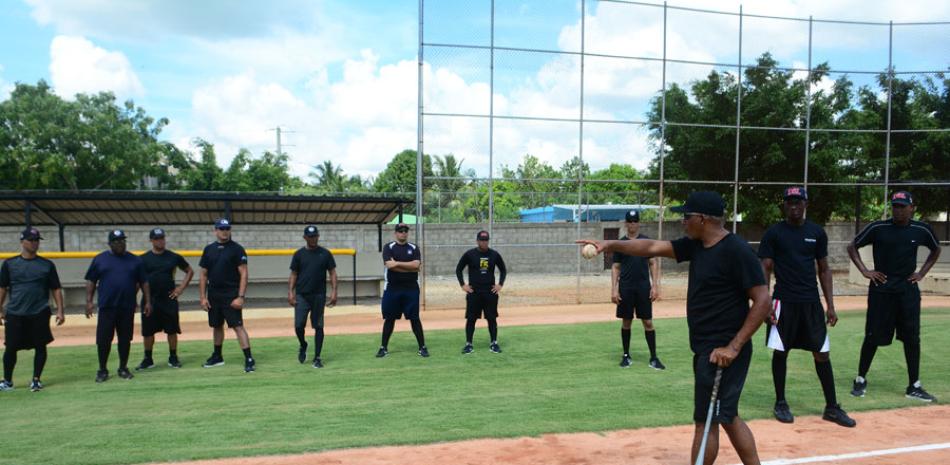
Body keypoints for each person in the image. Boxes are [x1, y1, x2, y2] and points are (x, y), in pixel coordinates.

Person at [578, 191, 770, 465]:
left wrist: (733, 346)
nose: (682, 222)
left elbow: (763, 301)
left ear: (702, 219)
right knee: (724, 417)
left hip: (722, 352)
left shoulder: (736, 250)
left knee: (707, 421)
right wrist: (608, 244)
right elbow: (651, 248)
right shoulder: (696, 246)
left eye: (686, 216)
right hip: (706, 348)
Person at [759, 187, 855, 427]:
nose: (794, 206)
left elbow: (824, 269)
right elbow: (765, 268)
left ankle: (831, 407)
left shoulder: (816, 232)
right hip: (783, 301)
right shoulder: (774, 233)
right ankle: (780, 403)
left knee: (822, 353)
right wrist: (765, 302)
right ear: (784, 205)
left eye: (798, 202)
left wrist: (830, 305)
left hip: (811, 302)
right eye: (789, 202)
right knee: (781, 352)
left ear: (805, 204)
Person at [847, 190, 941, 401]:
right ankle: (860, 379)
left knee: (912, 338)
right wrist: (865, 271)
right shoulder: (878, 227)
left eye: (902, 206)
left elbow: (935, 250)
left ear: (911, 208)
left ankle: (914, 386)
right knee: (872, 336)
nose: (898, 210)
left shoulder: (921, 229)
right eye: (895, 206)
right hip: (881, 290)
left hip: (908, 291)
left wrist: (921, 273)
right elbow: (852, 246)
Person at [0, 228, 65, 392]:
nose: (35, 243)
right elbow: (3, 288)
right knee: (11, 347)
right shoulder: (9, 264)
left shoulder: (47, 265)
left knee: (40, 346)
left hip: (39, 312)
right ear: (22, 242)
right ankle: (7, 380)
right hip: (15, 312)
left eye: (37, 240)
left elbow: (56, 288)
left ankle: (36, 379)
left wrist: (60, 310)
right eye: (31, 240)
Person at [85, 229, 150, 383]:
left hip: (127, 307)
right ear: (110, 244)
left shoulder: (135, 260)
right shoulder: (100, 259)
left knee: (125, 339)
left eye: (122, 240)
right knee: (103, 340)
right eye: (116, 241)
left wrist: (148, 301)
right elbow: (91, 280)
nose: (120, 243)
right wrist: (88, 301)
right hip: (107, 307)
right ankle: (102, 369)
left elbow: (144, 282)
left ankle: (123, 367)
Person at [198, 218, 255, 373]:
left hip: (231, 294)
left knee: (237, 326)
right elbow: (203, 275)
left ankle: (249, 358)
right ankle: (217, 356)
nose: (224, 231)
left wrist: (241, 296)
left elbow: (244, 273)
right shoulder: (208, 249)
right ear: (215, 230)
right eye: (221, 229)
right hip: (214, 294)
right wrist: (203, 297)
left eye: (227, 228)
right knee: (216, 326)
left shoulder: (237, 249)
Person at [611, 209, 664, 369]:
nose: (632, 224)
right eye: (630, 221)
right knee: (626, 321)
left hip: (643, 287)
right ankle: (626, 356)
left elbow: (653, 263)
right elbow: (616, 267)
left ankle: (654, 358)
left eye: (635, 221)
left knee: (647, 322)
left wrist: (655, 285)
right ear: (626, 223)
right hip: (626, 287)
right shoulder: (621, 244)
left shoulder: (646, 242)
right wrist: (614, 289)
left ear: (638, 223)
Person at [135, 228, 193, 371]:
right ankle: (148, 359)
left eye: (162, 238)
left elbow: (189, 271)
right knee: (148, 331)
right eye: (157, 239)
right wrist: (132, 299)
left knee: (172, 330)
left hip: (168, 299)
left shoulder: (173, 257)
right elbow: (138, 281)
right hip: (150, 300)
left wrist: (180, 288)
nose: (160, 241)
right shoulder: (143, 259)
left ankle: (173, 357)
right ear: (151, 241)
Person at [288, 225, 338, 368]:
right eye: (310, 237)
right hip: (302, 295)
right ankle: (303, 344)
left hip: (318, 295)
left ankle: (317, 357)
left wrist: (334, 291)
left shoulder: (325, 254)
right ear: (305, 238)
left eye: (315, 236)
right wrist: (290, 292)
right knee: (298, 325)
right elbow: (294, 274)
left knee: (318, 326)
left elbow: (332, 272)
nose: (313, 239)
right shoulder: (299, 254)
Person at [376, 223, 428, 358]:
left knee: (414, 319)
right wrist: (408, 266)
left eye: (405, 231)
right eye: (400, 231)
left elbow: (416, 266)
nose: (403, 233)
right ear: (396, 233)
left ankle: (422, 347)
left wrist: (397, 263)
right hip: (392, 289)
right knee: (389, 319)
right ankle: (383, 347)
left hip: (411, 289)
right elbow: (389, 265)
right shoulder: (389, 247)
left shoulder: (414, 248)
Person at [456, 230, 507, 354]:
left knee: (491, 318)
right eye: (482, 240)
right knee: (471, 319)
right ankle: (468, 344)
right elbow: (458, 269)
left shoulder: (494, 255)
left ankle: (494, 343)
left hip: (490, 292)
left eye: (486, 240)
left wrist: (500, 284)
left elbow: (503, 270)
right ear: (477, 241)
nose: (484, 242)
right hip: (474, 292)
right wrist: (463, 285)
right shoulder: (470, 254)